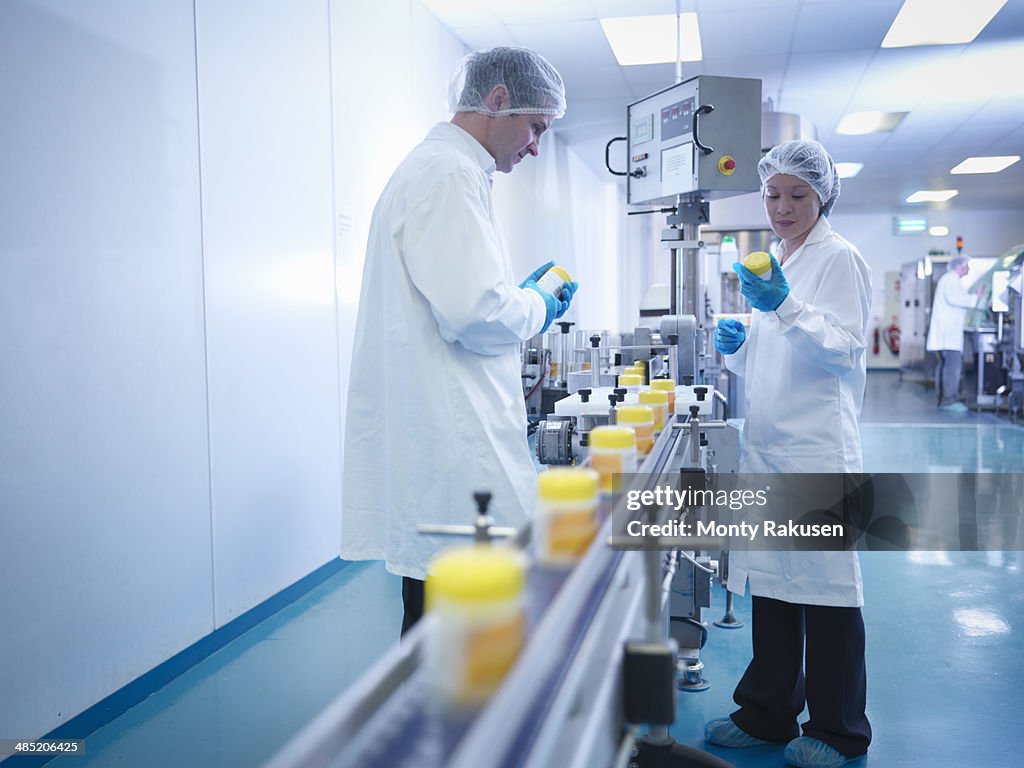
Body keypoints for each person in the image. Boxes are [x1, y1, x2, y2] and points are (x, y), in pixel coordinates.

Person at [340, 47, 576, 636]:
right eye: (536, 127)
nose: (535, 146)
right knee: (458, 644)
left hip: (444, 449)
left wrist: (510, 298)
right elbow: (475, 312)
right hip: (455, 452)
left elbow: (466, 296)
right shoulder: (448, 175)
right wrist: (536, 306)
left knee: (443, 633)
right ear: (499, 101)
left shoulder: (443, 170)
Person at [709, 140, 873, 768]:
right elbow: (778, 348)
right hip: (772, 442)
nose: (782, 207)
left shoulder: (840, 258)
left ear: (823, 194)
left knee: (828, 592)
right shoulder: (781, 255)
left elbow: (842, 347)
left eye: (797, 195)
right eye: (773, 194)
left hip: (817, 446)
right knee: (774, 584)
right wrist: (741, 341)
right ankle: (767, 713)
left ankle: (838, 730)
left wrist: (783, 305)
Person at [926, 256, 980, 413]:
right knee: (952, 367)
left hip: (947, 333)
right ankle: (949, 400)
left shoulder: (949, 280)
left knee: (945, 365)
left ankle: (944, 398)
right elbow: (954, 299)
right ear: (961, 267)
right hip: (948, 333)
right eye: (967, 267)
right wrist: (976, 298)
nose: (969, 270)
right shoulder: (951, 279)